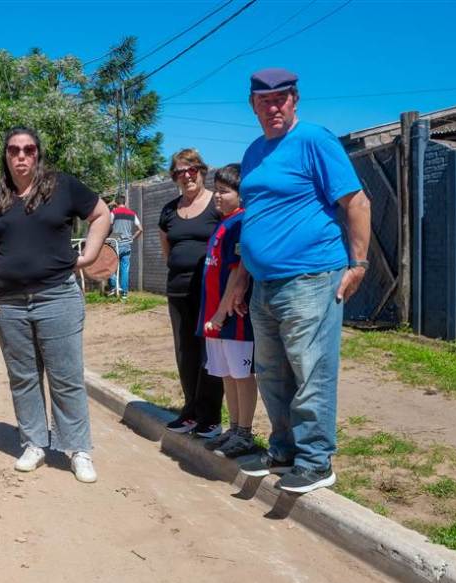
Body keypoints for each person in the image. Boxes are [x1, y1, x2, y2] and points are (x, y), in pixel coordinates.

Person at [227, 68, 371, 494]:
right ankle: (284, 448)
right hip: (264, 284)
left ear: (295, 100)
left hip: (311, 277)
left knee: (311, 371)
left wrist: (358, 264)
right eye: (265, 101)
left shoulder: (314, 140)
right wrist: (240, 280)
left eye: (282, 99)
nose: (274, 107)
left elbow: (357, 201)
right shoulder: (254, 153)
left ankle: (315, 459)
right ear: (253, 105)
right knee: (272, 372)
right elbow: (256, 220)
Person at [0, 126, 111, 483]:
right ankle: (34, 442)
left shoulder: (62, 187)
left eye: (29, 150)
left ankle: (78, 449)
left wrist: (90, 253)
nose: (21, 156)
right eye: (14, 150)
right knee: (24, 378)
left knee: (66, 377)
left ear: (38, 154)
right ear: (5, 156)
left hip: (57, 296)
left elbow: (101, 214)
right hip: (10, 303)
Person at [158, 149, 224, 438]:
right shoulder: (169, 211)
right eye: (179, 173)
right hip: (178, 290)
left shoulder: (216, 204)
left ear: (202, 170)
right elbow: (167, 250)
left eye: (191, 170)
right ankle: (190, 411)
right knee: (185, 352)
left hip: (210, 291)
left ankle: (210, 417)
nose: (186, 176)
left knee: (209, 353)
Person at [198, 164, 257, 458]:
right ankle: (233, 428)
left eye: (224, 191)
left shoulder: (241, 222)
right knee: (226, 375)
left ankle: (245, 432)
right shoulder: (223, 223)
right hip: (213, 315)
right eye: (216, 190)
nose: (217, 196)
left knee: (241, 374)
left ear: (241, 195)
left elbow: (236, 273)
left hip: (233, 317)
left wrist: (221, 313)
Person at [106, 195, 142, 299]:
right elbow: (140, 229)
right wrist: (132, 238)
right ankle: (124, 293)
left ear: (116, 203)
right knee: (125, 269)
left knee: (109, 266)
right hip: (127, 244)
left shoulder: (113, 213)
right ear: (125, 203)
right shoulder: (132, 214)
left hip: (115, 241)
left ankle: (114, 287)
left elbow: (108, 226)